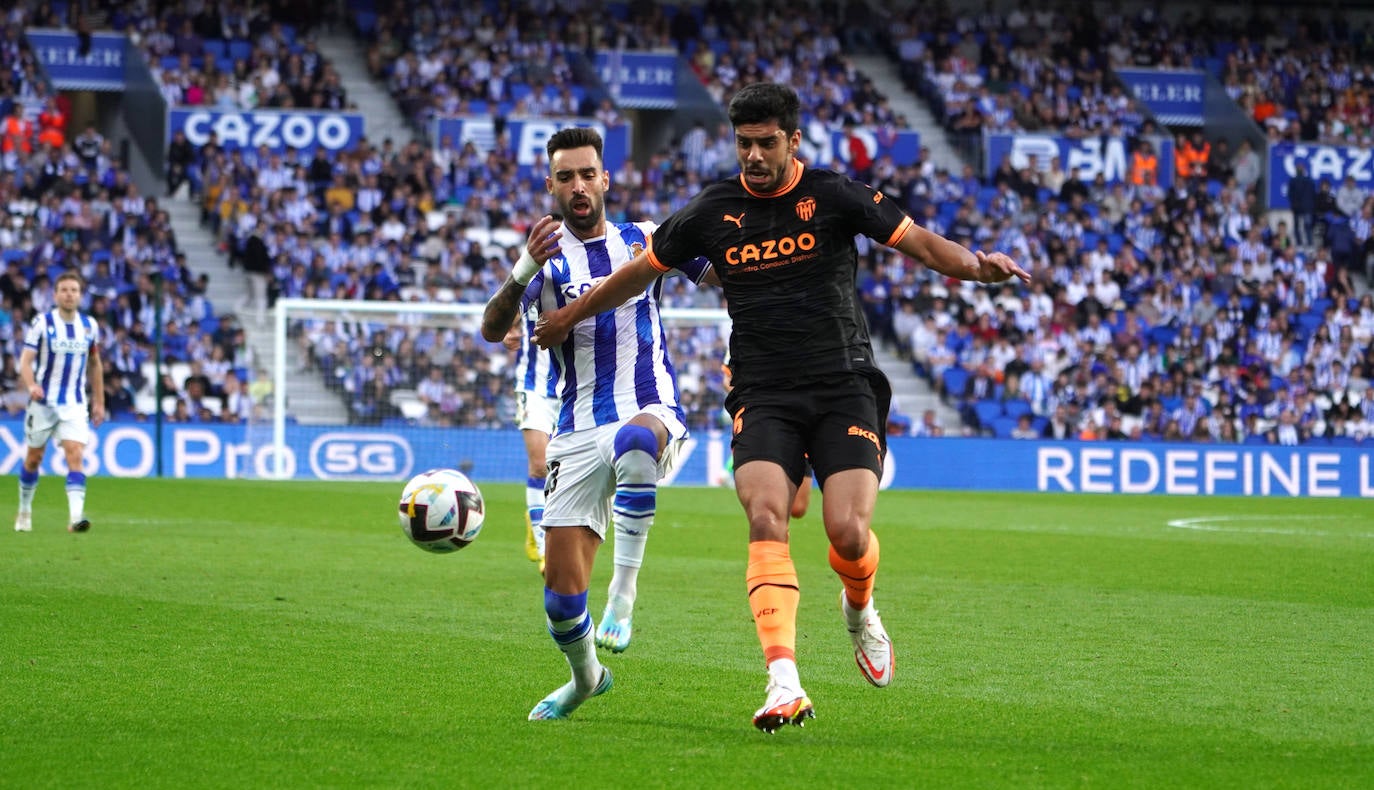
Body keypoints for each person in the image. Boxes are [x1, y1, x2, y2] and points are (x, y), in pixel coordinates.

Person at [532, 83, 1029, 732]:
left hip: (843, 383)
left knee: (847, 532)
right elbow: (639, 271)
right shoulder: (712, 209)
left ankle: (859, 607)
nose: (755, 155)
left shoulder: (834, 196)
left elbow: (921, 243)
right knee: (767, 515)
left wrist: (976, 269)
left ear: (793, 140)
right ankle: (782, 680)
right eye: (744, 144)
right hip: (763, 391)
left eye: (767, 142)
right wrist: (571, 312)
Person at [480, 127, 713, 721]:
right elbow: (491, 326)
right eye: (566, 177)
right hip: (577, 426)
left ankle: (625, 593)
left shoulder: (646, 238)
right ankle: (586, 679)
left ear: (605, 179)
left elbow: (721, 273)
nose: (578, 186)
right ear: (551, 186)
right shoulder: (544, 257)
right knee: (560, 600)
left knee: (638, 442)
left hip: (648, 404)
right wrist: (523, 266)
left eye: (588, 174)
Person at [15, 271, 106, 533]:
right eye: (64, 290)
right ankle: (24, 509)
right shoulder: (42, 323)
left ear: (80, 295)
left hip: (75, 404)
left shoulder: (89, 326)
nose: (69, 294)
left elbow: (95, 364)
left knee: (75, 454)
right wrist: (32, 385)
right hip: (44, 403)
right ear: (55, 295)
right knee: (34, 459)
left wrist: (99, 402)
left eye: (74, 290)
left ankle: (75, 518)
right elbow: (26, 361)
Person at [502, 303, 559, 574]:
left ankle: (542, 522)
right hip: (533, 386)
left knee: (564, 470)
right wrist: (509, 328)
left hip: (576, 385)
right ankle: (543, 546)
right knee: (540, 464)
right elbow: (510, 303)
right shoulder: (534, 273)